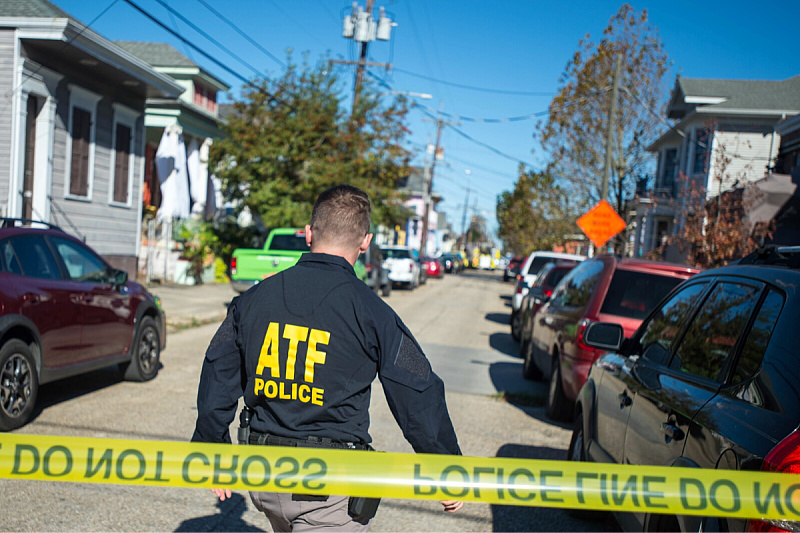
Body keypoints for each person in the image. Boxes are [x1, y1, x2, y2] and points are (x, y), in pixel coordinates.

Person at [191, 184, 463, 531]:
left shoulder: (252, 299)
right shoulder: (373, 312)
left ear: (308, 233)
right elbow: (416, 391)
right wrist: (447, 468)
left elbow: (218, 371)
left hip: (262, 476)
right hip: (328, 492)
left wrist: (214, 449)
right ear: (365, 241)